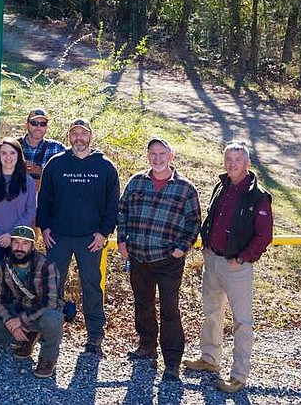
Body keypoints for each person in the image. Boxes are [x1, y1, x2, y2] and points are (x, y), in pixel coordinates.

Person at [183, 142, 273, 393]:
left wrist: (242, 258)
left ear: (247, 164)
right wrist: (206, 245)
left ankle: (239, 376)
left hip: (237, 266)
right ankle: (210, 360)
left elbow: (263, 236)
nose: (232, 164)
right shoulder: (222, 186)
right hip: (213, 259)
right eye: (228, 159)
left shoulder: (258, 195)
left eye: (237, 160)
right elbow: (212, 218)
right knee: (212, 313)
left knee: (242, 322)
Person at [117, 138, 202, 381]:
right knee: (143, 304)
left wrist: (181, 248)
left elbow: (193, 222)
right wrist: (122, 240)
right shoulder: (136, 182)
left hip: (168, 260)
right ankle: (147, 346)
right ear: (147, 155)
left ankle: (172, 361)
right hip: (139, 256)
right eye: (152, 153)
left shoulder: (185, 188)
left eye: (162, 153)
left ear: (171, 155)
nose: (157, 158)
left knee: (169, 310)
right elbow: (122, 211)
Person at [37, 118, 120, 355]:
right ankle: (50, 333)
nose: (79, 138)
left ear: (90, 137)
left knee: (92, 287)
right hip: (59, 237)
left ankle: (95, 336)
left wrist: (104, 234)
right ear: (68, 136)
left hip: (90, 241)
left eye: (83, 134)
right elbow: (45, 199)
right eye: (74, 134)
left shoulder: (105, 167)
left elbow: (112, 204)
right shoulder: (56, 164)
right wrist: (44, 228)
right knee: (52, 285)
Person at [0, 226, 64, 378]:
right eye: (16, 243)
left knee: (52, 319)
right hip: (18, 309)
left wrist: (20, 320)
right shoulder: (4, 266)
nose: (20, 248)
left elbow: (49, 301)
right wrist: (9, 322)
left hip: (42, 312)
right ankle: (28, 335)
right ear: (11, 244)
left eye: (25, 243)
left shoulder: (46, 265)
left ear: (33, 246)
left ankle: (48, 358)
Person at [0, 137, 36, 316]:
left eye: (12, 153)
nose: (8, 157)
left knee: (17, 283)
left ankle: (14, 322)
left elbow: (30, 211)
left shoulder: (27, 182)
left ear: (19, 156)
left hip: (18, 244)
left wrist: (12, 235)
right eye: (4, 153)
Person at [19, 108, 65, 184]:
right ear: (26, 125)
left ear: (47, 127)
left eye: (43, 124)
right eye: (34, 123)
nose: (38, 127)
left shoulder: (58, 148)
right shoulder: (13, 146)